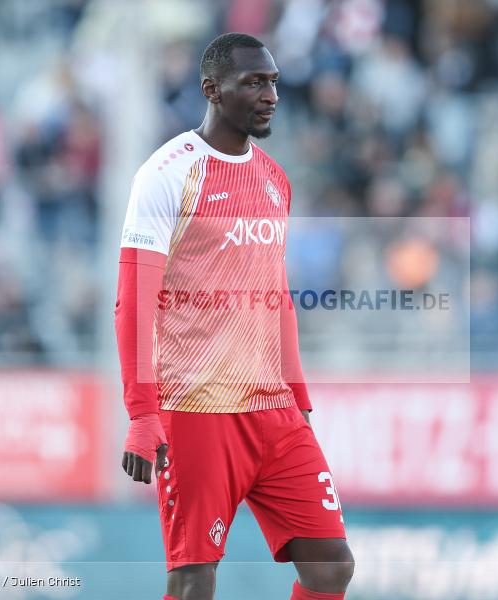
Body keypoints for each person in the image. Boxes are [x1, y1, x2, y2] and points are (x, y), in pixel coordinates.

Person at [114, 33, 354, 600]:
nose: (270, 94)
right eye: (253, 82)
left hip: (274, 411)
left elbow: (277, 295)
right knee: (194, 580)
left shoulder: (275, 179)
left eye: (273, 82)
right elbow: (132, 301)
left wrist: (298, 396)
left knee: (332, 566)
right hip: (197, 408)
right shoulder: (167, 174)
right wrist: (142, 414)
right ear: (211, 90)